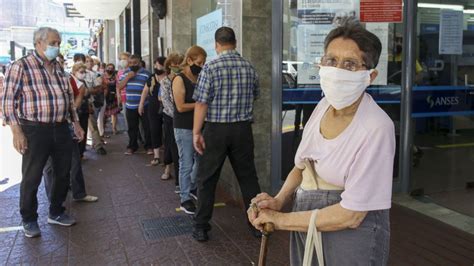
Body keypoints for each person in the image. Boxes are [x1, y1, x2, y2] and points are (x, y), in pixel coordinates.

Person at [248, 18, 395, 265]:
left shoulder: (376, 127)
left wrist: (281, 219)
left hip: (349, 235)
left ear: (370, 75)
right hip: (307, 221)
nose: (337, 70)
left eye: (349, 64)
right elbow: (303, 165)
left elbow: (352, 215)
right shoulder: (323, 106)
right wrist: (279, 200)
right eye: (331, 60)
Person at [0, 27, 85, 238]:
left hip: (60, 127)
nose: (57, 47)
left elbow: (68, 99)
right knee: (32, 176)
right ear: (39, 43)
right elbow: (8, 102)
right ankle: (29, 219)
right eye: (53, 43)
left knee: (63, 173)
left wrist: (75, 123)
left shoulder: (59, 68)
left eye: (58, 43)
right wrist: (16, 132)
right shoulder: (21, 66)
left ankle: (56, 211)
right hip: (34, 129)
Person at [192, 27, 262, 242]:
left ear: (216, 44)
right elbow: (255, 95)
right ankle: (257, 224)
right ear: (235, 42)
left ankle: (201, 227)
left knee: (207, 178)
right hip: (242, 129)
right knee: (248, 178)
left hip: (216, 130)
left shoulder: (210, 67)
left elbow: (202, 103)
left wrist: (196, 132)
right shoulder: (249, 67)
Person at [43, 63, 98, 203]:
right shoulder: (35, 77)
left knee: (74, 160)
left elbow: (78, 91)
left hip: (65, 125)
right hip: (43, 128)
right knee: (49, 166)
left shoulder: (65, 77)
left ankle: (79, 193)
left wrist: (76, 121)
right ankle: (53, 201)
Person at [173, 46, 207, 214]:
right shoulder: (179, 79)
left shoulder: (198, 78)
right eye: (199, 62)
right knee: (186, 163)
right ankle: (185, 197)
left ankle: (191, 187)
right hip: (184, 127)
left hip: (198, 126)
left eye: (203, 63)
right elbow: (180, 106)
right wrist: (201, 104)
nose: (201, 66)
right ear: (189, 60)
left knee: (199, 160)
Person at [117, 54, 152, 154]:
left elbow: (149, 88)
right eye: (130, 63)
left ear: (140, 63)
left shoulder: (147, 73)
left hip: (144, 104)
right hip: (130, 105)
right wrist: (128, 77)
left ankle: (148, 146)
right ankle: (132, 146)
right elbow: (119, 86)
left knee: (146, 127)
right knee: (132, 128)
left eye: (135, 63)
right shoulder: (126, 73)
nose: (133, 65)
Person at [160, 53, 183, 186]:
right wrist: (179, 114)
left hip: (183, 117)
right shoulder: (165, 81)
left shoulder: (184, 78)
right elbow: (166, 101)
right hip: (171, 117)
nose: (177, 67)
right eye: (175, 64)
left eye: (180, 63)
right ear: (169, 66)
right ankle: (179, 181)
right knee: (174, 147)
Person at [139, 57, 167, 165]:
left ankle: (169, 156)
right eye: (155, 65)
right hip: (153, 108)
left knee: (168, 132)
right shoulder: (151, 78)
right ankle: (156, 156)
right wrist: (141, 104)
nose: (156, 67)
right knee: (154, 130)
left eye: (158, 65)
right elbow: (145, 91)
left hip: (167, 108)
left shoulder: (170, 77)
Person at [103, 63, 120, 135]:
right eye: (108, 68)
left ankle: (114, 128)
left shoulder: (115, 76)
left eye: (111, 68)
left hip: (113, 96)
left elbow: (118, 86)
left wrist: (118, 96)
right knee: (104, 114)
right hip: (105, 97)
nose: (110, 69)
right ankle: (102, 129)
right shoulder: (103, 76)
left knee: (114, 113)